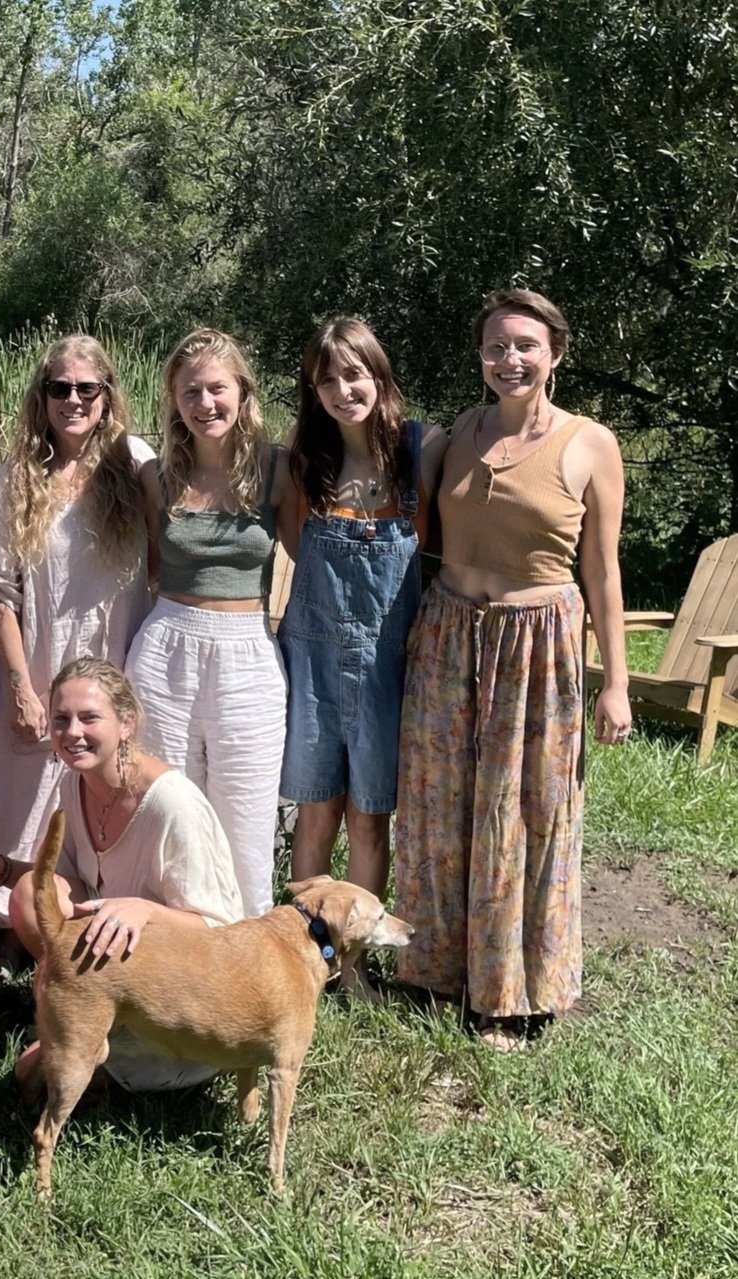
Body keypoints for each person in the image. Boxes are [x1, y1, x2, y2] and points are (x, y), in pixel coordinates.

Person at [394, 288, 630, 1050]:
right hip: (450, 634)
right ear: (481, 355)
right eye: (497, 345)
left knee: (526, 813)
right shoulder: (456, 434)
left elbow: (603, 574)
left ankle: (512, 991)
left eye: (526, 344)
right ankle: (436, 967)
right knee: (439, 806)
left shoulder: (589, 443)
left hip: (539, 645)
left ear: (555, 353)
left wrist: (617, 681)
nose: (510, 358)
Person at [0, 658, 243, 1093]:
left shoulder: (172, 806)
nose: (72, 733)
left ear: (126, 723)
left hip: (182, 1001)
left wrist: (144, 911)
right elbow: (67, 887)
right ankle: (76, 1017)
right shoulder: (75, 784)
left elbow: (222, 936)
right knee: (30, 893)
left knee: (34, 1076)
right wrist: (1, 869)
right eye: (61, 719)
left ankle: (152, 1062)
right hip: (120, 973)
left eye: (89, 718)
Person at [0, 335, 156, 978]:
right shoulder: (17, 476)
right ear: (40, 396)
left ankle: (90, 926)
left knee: (99, 794)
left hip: (112, 662)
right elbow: (0, 590)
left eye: (86, 389)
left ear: (107, 396)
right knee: (21, 796)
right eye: (59, 388)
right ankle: (10, 930)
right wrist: (18, 681)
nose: (72, 400)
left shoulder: (135, 464)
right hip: (38, 659)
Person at [279, 318, 446, 997]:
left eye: (355, 373)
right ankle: (299, 955)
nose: (344, 388)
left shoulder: (421, 449)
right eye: (328, 377)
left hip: (387, 661)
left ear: (380, 376)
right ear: (312, 389)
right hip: (315, 657)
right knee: (316, 810)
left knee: (370, 814)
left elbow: (436, 542)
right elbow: (293, 542)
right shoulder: (303, 458)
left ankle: (353, 965)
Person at [124, 329, 295, 918]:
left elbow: (310, 553)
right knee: (167, 807)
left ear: (242, 392)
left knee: (245, 814)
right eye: (190, 391)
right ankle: (168, 954)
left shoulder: (277, 471)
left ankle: (249, 956)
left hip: (247, 650)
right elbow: (145, 565)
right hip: (166, 644)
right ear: (174, 400)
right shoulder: (158, 476)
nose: (205, 404)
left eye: (217, 389)